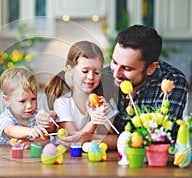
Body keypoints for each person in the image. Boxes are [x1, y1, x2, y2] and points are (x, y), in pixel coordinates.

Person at [37, 25, 188, 150]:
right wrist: (47, 119)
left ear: (150, 68)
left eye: (127, 69)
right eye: (115, 62)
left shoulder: (172, 82)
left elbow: (158, 138)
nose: (116, 73)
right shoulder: (104, 76)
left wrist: (88, 137)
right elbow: (72, 106)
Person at [37, 41, 115, 140]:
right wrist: (93, 123)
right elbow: (72, 138)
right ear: (70, 70)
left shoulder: (107, 103)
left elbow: (111, 138)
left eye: (96, 72)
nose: (91, 77)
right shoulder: (63, 103)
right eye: (85, 71)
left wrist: (102, 116)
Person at [0, 67, 48, 147]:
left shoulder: (36, 116)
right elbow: (11, 130)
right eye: (22, 101)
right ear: (7, 100)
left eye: (33, 99)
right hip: (3, 157)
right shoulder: (4, 118)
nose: (29, 106)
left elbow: (46, 139)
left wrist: (32, 143)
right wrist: (30, 131)